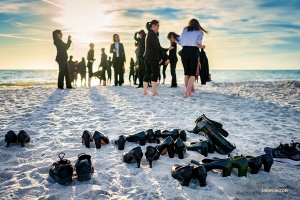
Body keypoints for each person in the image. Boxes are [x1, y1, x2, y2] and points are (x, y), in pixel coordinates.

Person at [176, 19, 208, 97]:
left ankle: (188, 91)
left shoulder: (185, 29)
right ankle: (188, 91)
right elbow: (198, 44)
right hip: (193, 51)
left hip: (184, 51)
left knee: (186, 73)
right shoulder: (199, 32)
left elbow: (181, 40)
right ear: (197, 24)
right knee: (192, 73)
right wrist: (203, 47)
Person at [143, 20, 169, 96]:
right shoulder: (152, 34)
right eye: (157, 25)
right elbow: (157, 47)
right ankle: (154, 92)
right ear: (153, 25)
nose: (158, 27)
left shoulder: (149, 33)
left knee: (147, 73)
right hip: (152, 57)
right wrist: (166, 49)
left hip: (147, 57)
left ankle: (145, 91)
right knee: (155, 73)